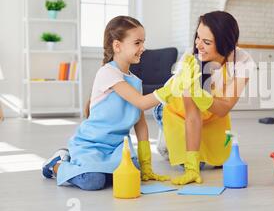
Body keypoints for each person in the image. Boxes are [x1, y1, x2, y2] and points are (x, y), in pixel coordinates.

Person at [41, 15, 185, 190]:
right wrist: (171, 87)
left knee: (134, 175)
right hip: (92, 144)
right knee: (93, 181)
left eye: (143, 42)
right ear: (117, 46)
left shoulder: (136, 82)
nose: (143, 48)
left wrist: (146, 164)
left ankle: (94, 167)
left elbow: (140, 124)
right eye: (137, 43)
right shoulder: (108, 73)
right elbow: (141, 103)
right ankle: (57, 163)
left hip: (117, 147)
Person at [153, 11, 256, 185]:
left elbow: (224, 108)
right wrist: (192, 166)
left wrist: (203, 98)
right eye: (197, 37)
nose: (198, 45)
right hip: (176, 111)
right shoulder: (191, 59)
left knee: (220, 162)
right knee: (194, 162)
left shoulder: (243, 62)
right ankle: (165, 141)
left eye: (206, 42)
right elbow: (191, 115)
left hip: (211, 114)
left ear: (225, 45)